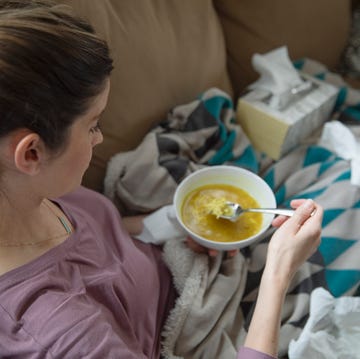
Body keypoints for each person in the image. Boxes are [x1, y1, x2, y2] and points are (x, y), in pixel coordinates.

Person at [0, 1, 323, 358]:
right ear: (30, 154)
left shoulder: (24, 189)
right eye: (93, 125)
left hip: (180, 269)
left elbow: (90, 245)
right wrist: (279, 272)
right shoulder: (58, 332)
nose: (100, 139)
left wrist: (170, 224)